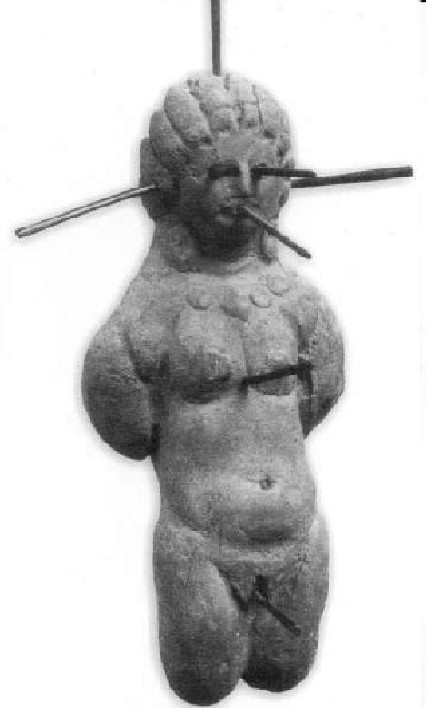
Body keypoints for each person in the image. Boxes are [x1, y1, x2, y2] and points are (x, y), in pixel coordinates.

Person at [82, 73, 344, 706]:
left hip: (298, 537)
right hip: (199, 547)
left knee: (285, 672)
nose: (246, 188)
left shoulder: (300, 305)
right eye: (222, 172)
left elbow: (320, 392)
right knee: (202, 682)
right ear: (171, 185)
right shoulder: (153, 313)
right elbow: (124, 416)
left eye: (262, 170)